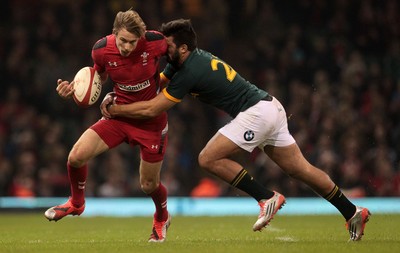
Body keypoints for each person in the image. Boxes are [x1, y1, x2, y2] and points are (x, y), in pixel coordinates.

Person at [101, 19, 371, 241]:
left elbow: (152, 108)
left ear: (182, 48)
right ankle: (352, 211)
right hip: (269, 106)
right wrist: (119, 93)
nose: (162, 50)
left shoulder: (189, 71)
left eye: (167, 46)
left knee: (208, 158)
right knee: (301, 170)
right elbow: (153, 85)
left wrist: (115, 110)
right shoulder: (182, 62)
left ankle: (267, 197)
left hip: (256, 111)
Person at [44, 9, 171, 243]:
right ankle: (76, 203)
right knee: (75, 157)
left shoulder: (156, 43)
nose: (127, 47)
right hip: (117, 116)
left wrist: (169, 88)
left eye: (133, 42)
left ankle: (162, 216)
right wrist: (75, 88)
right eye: (123, 41)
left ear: (141, 38)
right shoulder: (101, 49)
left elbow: (179, 60)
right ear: (114, 34)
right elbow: (98, 77)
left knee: (148, 184)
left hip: (151, 122)